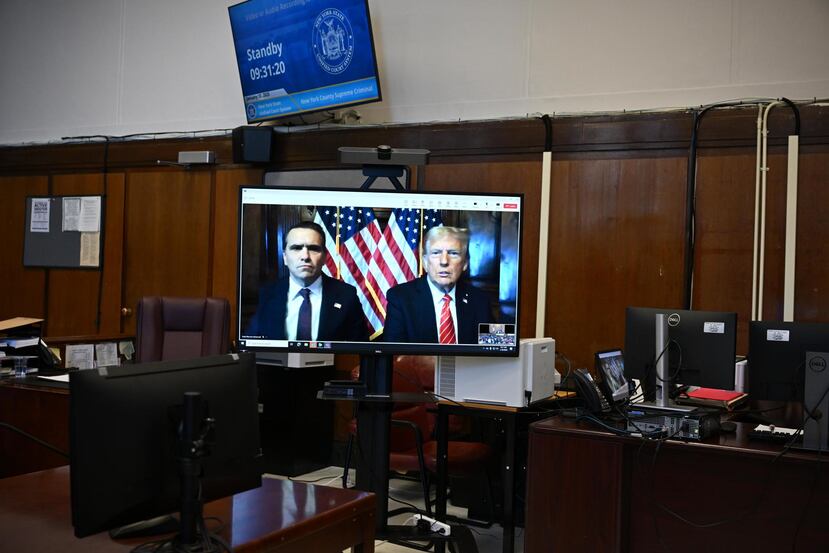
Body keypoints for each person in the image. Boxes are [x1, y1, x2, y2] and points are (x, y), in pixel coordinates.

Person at [246, 221, 368, 342]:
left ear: (325, 257)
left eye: (313, 249)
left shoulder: (347, 296)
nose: (305, 256)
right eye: (296, 248)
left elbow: (360, 350)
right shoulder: (267, 295)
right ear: (285, 257)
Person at [383, 226, 493, 344]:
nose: (444, 261)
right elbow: (393, 356)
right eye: (436, 253)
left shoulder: (480, 300)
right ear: (425, 261)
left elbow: (495, 349)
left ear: (465, 263)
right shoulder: (401, 298)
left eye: (453, 253)